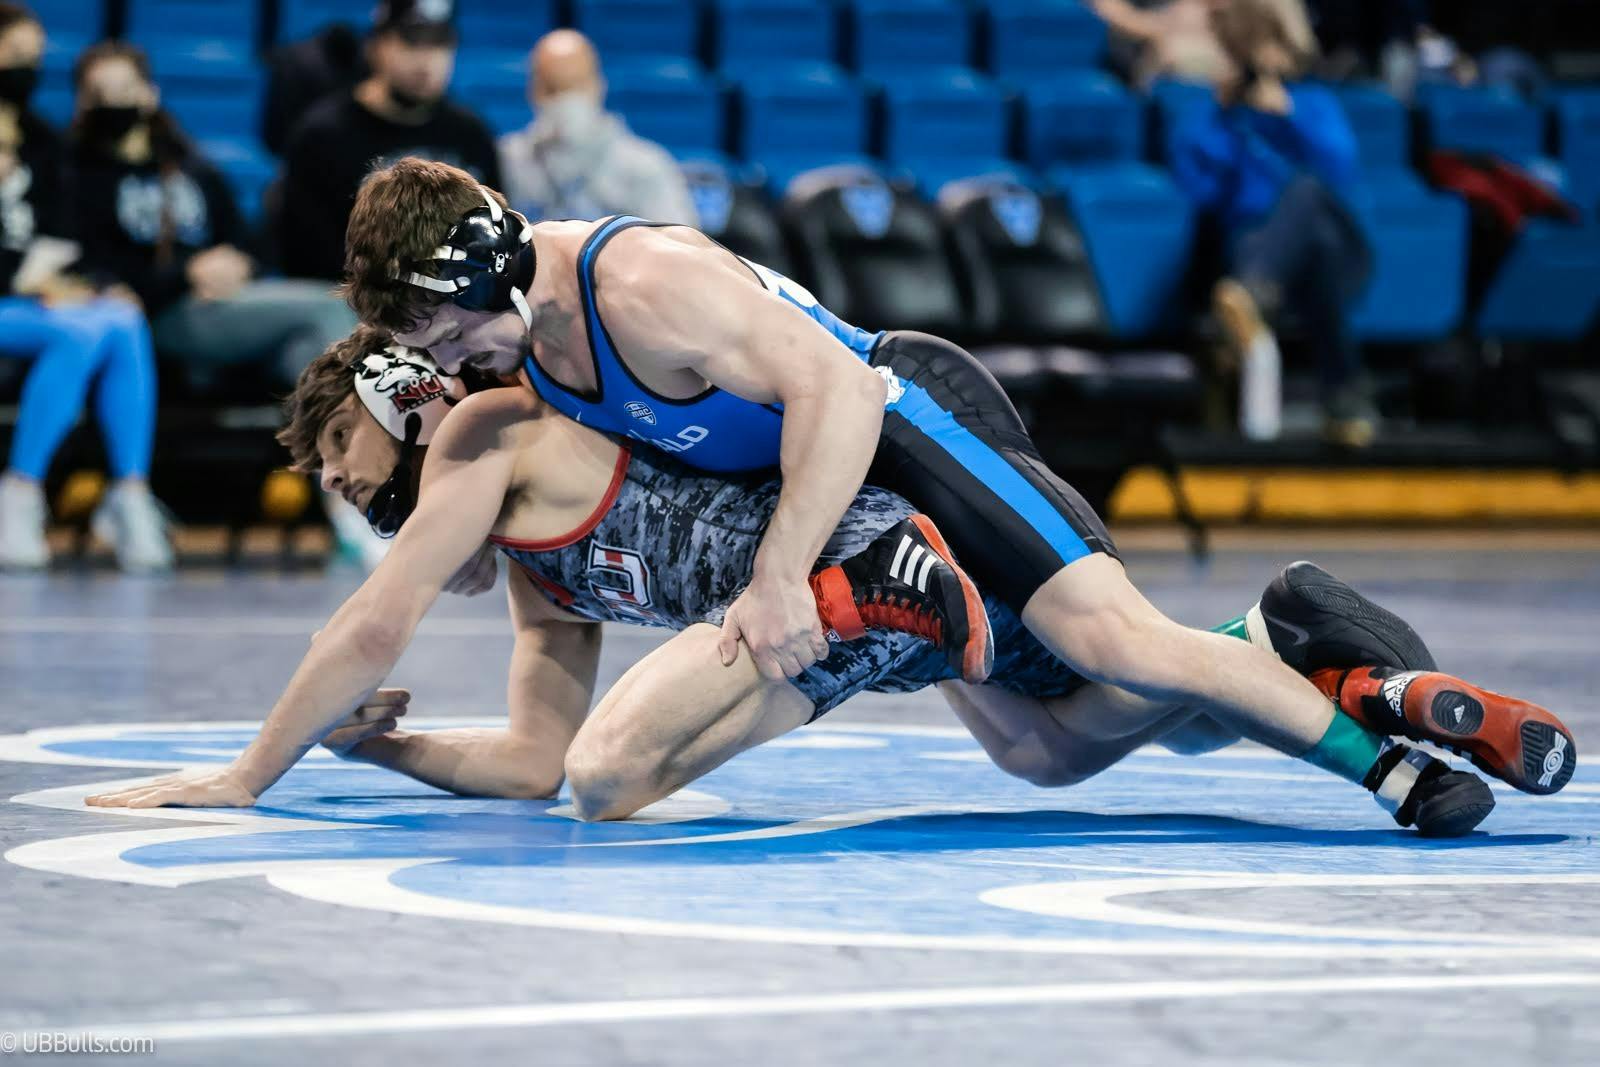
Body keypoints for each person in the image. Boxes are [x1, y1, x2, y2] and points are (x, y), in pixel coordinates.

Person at [332, 160, 1471, 823]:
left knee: (1114, 638)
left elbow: (837, 388)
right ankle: (1274, 637)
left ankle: (1392, 768)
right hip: (847, 484)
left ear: (479, 276)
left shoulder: (638, 281)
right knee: (1042, 749)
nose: (453, 363)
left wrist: (779, 575)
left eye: (443, 331)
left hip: (902, 419)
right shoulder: (517, 349)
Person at [84, 330, 1579, 829]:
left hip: (860, 537)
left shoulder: (490, 427)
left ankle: (1371, 751)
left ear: (413, 412)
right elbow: (528, 757)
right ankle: (1298, 638)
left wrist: (249, 773)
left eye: (360, 472)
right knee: (1082, 731)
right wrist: (384, 744)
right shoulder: (537, 559)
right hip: (860, 599)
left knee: (623, 772)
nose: (372, 510)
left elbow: (371, 619)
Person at [70, 41, 357, 391]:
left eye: (125, 90)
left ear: (150, 94)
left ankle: (318, 437)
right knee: (326, 309)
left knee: (303, 348)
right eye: (101, 93)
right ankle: (353, 438)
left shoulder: (186, 161)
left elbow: (244, 236)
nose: (115, 103)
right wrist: (186, 273)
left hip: (222, 298)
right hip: (161, 309)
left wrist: (239, 263)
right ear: (82, 101)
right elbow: (96, 263)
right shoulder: (79, 174)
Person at [0, 3, 169, 572]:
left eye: (35, 59)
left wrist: (60, 278)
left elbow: (58, 232)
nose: (28, 69)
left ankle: (128, 493)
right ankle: (20, 492)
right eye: (16, 57)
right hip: (13, 298)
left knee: (118, 318)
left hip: (23, 299)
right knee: (81, 329)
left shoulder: (41, 141)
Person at [1166, 0, 1377, 446]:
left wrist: (1289, 117)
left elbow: (1340, 173)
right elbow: (1199, 193)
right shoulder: (1214, 113)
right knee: (1308, 241)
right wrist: (1226, 121)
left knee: (1308, 200)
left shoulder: (1312, 103)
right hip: (1254, 244)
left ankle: (1249, 297)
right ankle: (1345, 396)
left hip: (1336, 252)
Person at [278, 0, 499, 283]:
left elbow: (494, 234)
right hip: (355, 300)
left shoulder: (471, 134)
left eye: (440, 44)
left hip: (456, 299)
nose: (426, 60)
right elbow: (305, 257)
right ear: (376, 47)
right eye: (411, 42)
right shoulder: (323, 136)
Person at [497, 29, 696, 226]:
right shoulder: (507, 161)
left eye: (575, 85)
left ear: (599, 85)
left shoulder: (646, 166)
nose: (565, 100)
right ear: (533, 91)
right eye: (552, 88)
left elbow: (679, 249)